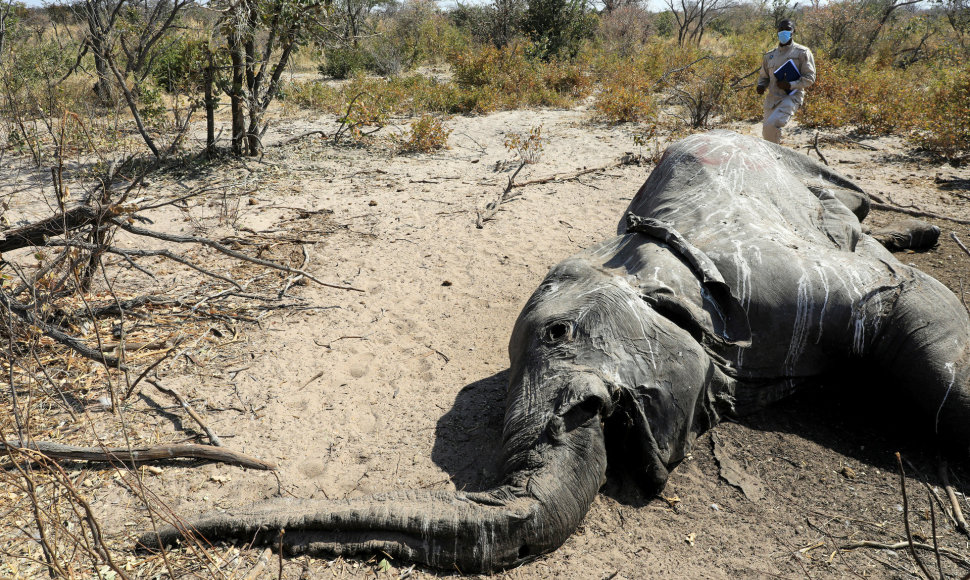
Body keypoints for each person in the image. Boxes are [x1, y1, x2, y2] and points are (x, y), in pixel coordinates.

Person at [757, 20, 816, 144]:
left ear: (793, 31)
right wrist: (761, 85)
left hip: (791, 97)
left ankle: (775, 157)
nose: (784, 31)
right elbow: (764, 76)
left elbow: (810, 78)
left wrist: (790, 85)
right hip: (772, 100)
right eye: (781, 29)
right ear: (777, 31)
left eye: (787, 29)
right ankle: (775, 156)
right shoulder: (769, 55)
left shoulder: (802, 52)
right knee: (767, 133)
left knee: (771, 126)